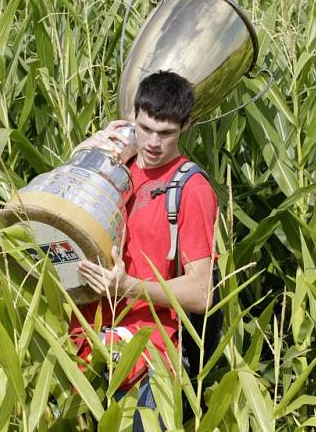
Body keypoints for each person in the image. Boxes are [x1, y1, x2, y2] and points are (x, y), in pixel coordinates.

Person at [70, 70, 218, 430]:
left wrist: (129, 287)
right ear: (133, 115)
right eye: (145, 128)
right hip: (90, 349)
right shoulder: (116, 168)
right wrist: (85, 154)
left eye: (165, 133)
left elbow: (201, 293)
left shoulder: (192, 189)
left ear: (186, 125)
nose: (152, 142)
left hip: (149, 359)